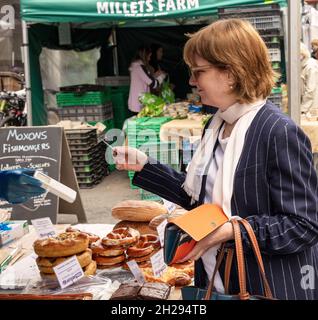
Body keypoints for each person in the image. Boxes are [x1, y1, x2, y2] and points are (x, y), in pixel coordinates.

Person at [113, 19, 318, 300]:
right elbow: (200, 200)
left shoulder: (277, 131)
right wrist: (144, 165)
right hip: (215, 279)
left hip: (264, 285)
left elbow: (303, 226)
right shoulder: (216, 124)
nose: (192, 81)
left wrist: (232, 232)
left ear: (231, 72)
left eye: (199, 72)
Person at [128, 45, 165, 114]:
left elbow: (145, 80)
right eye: (149, 56)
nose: (149, 59)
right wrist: (162, 76)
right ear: (144, 56)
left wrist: (155, 76)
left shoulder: (136, 66)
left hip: (137, 102)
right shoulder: (139, 67)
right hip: (138, 104)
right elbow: (153, 84)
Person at [300, 42, 318, 118]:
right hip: (308, 107)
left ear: (302, 55)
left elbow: (310, 90)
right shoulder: (303, 65)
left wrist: (303, 109)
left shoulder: (311, 66)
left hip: (311, 108)